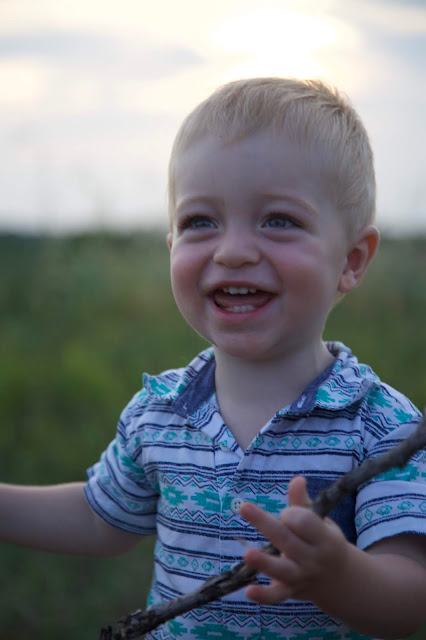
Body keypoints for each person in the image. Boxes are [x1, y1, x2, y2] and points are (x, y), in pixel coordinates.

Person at [1, 77, 426, 640]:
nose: (233, 251)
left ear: (350, 260)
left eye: (279, 220)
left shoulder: (382, 428)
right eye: (200, 222)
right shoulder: (161, 410)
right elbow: (100, 518)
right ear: (171, 246)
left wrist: (339, 575)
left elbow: (411, 600)